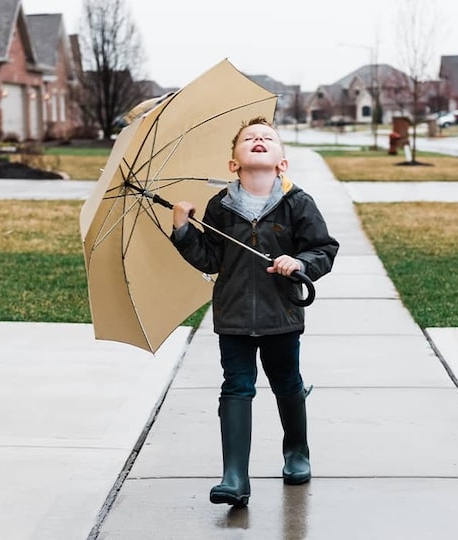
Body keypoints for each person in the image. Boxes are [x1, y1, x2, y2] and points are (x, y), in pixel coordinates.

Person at [171, 117, 339, 508]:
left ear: (282, 162)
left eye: (267, 138)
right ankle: (234, 476)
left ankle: (296, 451)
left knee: (286, 382)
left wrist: (298, 264)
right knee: (236, 387)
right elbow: (210, 259)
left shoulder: (298, 203)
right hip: (233, 318)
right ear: (234, 164)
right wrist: (182, 229)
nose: (259, 140)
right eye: (249, 139)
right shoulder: (220, 208)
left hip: (280, 316)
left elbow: (323, 249)